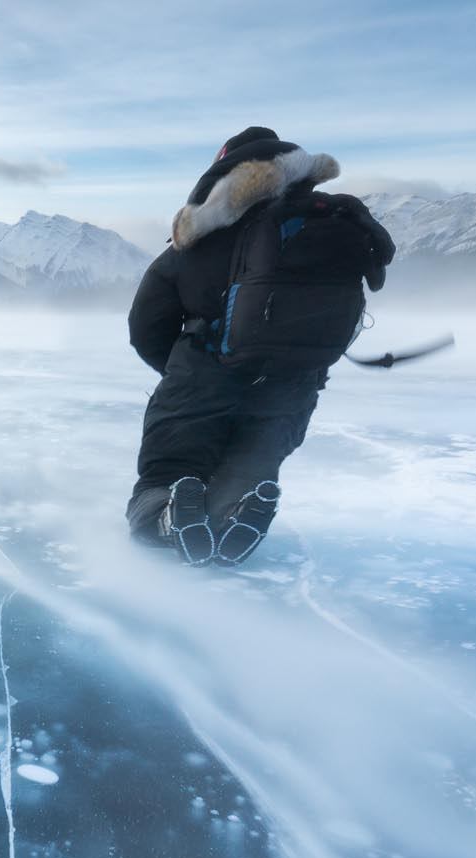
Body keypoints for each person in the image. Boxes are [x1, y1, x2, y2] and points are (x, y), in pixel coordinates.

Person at [125, 127, 395, 566]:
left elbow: (145, 327)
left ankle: (169, 515)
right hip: (292, 392)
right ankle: (234, 513)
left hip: (200, 380)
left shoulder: (199, 237)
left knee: (164, 476)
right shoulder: (333, 226)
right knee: (247, 471)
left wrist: (180, 371)